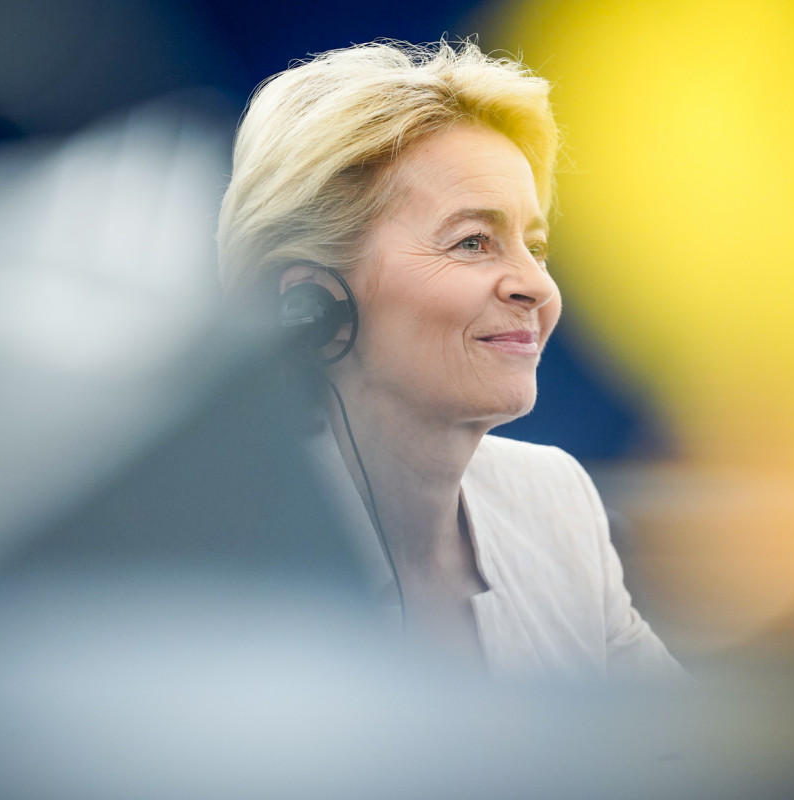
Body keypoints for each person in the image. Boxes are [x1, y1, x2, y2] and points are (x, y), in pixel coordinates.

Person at [217, 39, 685, 681]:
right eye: (472, 242)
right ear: (312, 304)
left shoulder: (555, 501)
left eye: (536, 246)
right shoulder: (218, 561)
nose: (537, 287)